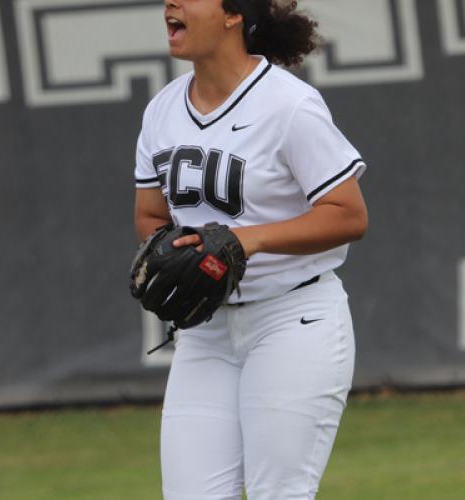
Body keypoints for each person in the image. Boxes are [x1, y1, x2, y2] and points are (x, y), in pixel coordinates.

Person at [133, 0, 368, 498]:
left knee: (279, 493)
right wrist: (171, 250)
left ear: (233, 14)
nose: (171, 4)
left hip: (293, 320)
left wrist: (246, 240)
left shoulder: (288, 104)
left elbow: (348, 214)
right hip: (205, 331)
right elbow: (151, 216)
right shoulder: (162, 110)